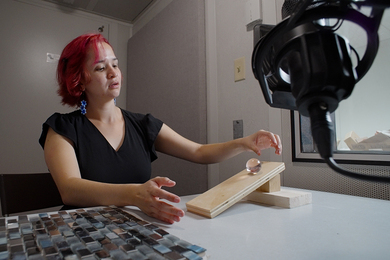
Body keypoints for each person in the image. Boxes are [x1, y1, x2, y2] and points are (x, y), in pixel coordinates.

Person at [39, 33, 282, 224]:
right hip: (81, 233)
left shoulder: (143, 124)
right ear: (79, 80)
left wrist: (243, 143)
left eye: (115, 64)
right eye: (101, 68)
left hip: (136, 230)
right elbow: (69, 189)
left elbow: (198, 152)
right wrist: (134, 194)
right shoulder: (62, 127)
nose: (114, 73)